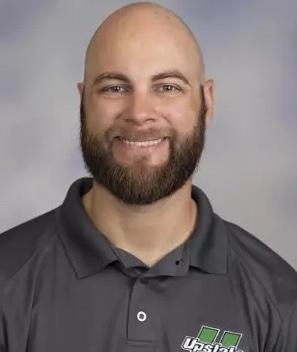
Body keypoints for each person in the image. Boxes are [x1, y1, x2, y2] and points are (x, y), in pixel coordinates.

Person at [0, 2, 296, 352]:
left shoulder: (280, 300)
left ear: (207, 103)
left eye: (168, 87)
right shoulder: (7, 280)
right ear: (83, 103)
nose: (140, 114)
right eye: (114, 87)